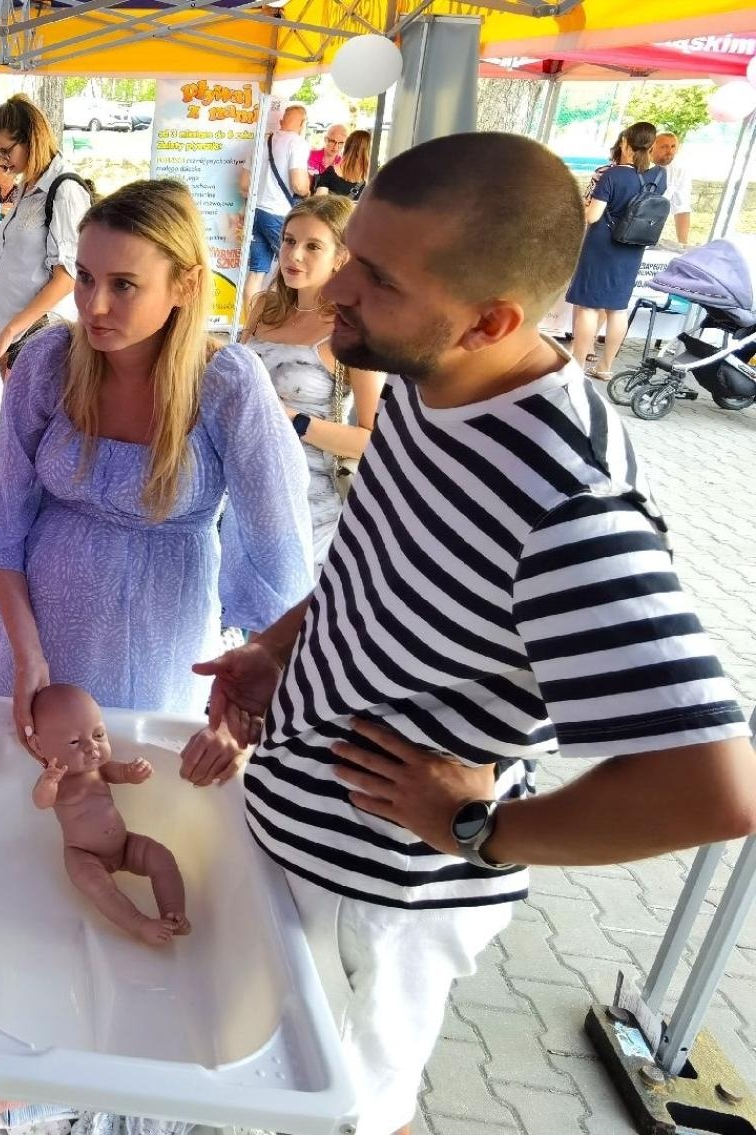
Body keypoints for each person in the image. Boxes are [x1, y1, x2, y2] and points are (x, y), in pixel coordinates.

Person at [188, 132, 756, 1135]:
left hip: (386, 900)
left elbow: (714, 788)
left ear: (490, 318)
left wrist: (480, 831)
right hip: (296, 832)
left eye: (377, 278)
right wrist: (279, 645)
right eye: (352, 254)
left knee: (347, 1116)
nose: (336, 293)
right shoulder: (423, 381)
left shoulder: (568, 503)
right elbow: (368, 563)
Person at [0, 178, 313, 740]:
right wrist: (27, 655)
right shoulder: (49, 362)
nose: (94, 306)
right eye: (84, 277)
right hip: (30, 637)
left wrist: (251, 690)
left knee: (128, 795)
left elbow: (278, 556)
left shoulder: (228, 385)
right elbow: (1, 521)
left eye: (124, 285)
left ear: (186, 284)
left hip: (156, 647)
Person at [240, 195, 382, 563]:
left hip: (309, 505)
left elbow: (371, 440)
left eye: (312, 246)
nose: (294, 255)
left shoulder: (352, 328)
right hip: (246, 489)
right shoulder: (262, 308)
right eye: (289, 240)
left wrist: (293, 420)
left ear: (341, 257)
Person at [0, 95, 94, 371]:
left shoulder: (64, 190)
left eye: (6, 151)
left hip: (35, 337)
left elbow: (67, 278)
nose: (3, 162)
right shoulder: (28, 185)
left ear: (32, 140)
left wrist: (11, 331)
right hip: (12, 336)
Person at [567, 121, 664, 382]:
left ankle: (577, 363)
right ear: (652, 146)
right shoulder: (658, 177)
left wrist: (586, 207)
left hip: (602, 246)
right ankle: (606, 366)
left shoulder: (612, 175)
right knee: (617, 309)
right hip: (632, 249)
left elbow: (594, 216)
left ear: (625, 144)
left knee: (588, 307)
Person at [240, 102, 312, 312]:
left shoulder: (262, 142)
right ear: (302, 123)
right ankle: (282, 322)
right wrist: (308, 193)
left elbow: (244, 186)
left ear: (281, 122)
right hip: (279, 214)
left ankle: (250, 324)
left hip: (256, 213)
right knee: (292, 266)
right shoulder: (297, 143)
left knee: (256, 272)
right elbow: (298, 183)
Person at [652, 130, 693, 246]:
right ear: (652, 147)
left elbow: (682, 208)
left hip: (652, 228)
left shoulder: (679, 171)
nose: (669, 151)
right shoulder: (641, 165)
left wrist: (683, 244)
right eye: (664, 146)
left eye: (673, 146)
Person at [313, 129, 373, 201]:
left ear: (346, 147)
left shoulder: (330, 172)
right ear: (368, 153)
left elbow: (318, 202)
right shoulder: (371, 179)